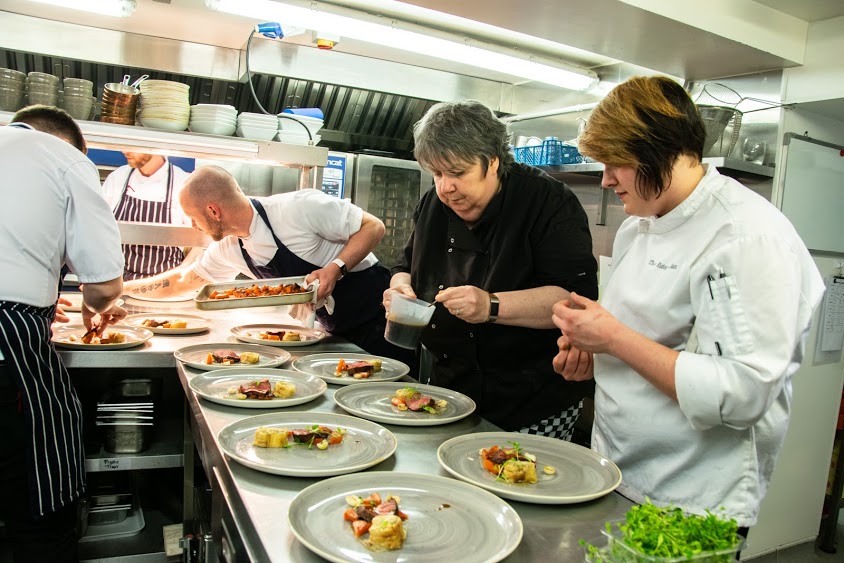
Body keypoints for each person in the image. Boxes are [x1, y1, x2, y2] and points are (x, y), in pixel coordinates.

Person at [551, 76, 825, 529]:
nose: (606, 179)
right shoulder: (638, 225)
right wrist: (593, 352)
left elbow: (742, 392)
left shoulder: (745, 237)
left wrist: (613, 339)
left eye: (617, 163)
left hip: (692, 496)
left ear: (661, 152)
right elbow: (648, 338)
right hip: (616, 469)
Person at [383, 99, 598, 438]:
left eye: (457, 173)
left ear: (493, 161)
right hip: (449, 390)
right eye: (437, 174)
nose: (445, 187)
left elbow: (574, 299)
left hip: (530, 399)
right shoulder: (433, 204)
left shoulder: (548, 201)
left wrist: (490, 305)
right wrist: (400, 287)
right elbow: (405, 265)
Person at [122, 165, 414, 364]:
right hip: (337, 336)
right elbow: (184, 281)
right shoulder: (230, 247)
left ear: (213, 210)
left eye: (193, 217)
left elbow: (373, 226)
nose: (192, 225)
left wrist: (335, 268)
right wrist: (121, 289)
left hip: (384, 325)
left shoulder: (297, 208)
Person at [0, 105, 127, 562]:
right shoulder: (64, 157)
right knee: (37, 514)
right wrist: (94, 306)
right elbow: (105, 285)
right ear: (69, 141)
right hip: (7, 353)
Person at [101, 152, 199, 280]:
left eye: (133, 145)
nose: (125, 151)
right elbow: (98, 232)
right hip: (118, 281)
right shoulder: (117, 178)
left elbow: (201, 243)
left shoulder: (183, 184)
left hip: (166, 284)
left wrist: (179, 275)